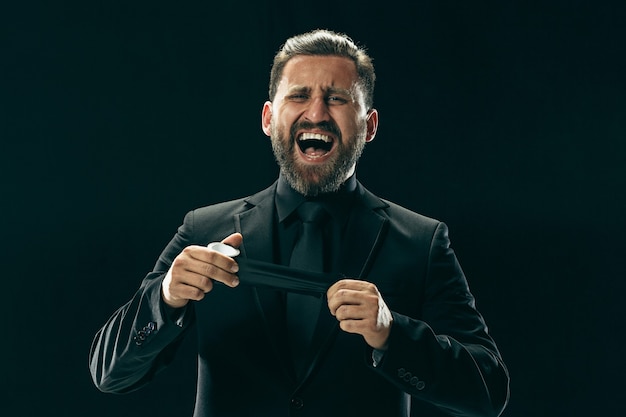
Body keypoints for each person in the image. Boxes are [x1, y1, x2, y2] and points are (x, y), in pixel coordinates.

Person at [89, 29, 510, 417]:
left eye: (338, 98)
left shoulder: (422, 242)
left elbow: (488, 391)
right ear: (269, 119)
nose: (316, 113)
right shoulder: (203, 231)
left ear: (369, 126)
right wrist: (164, 299)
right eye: (299, 96)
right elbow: (110, 374)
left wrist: (392, 334)